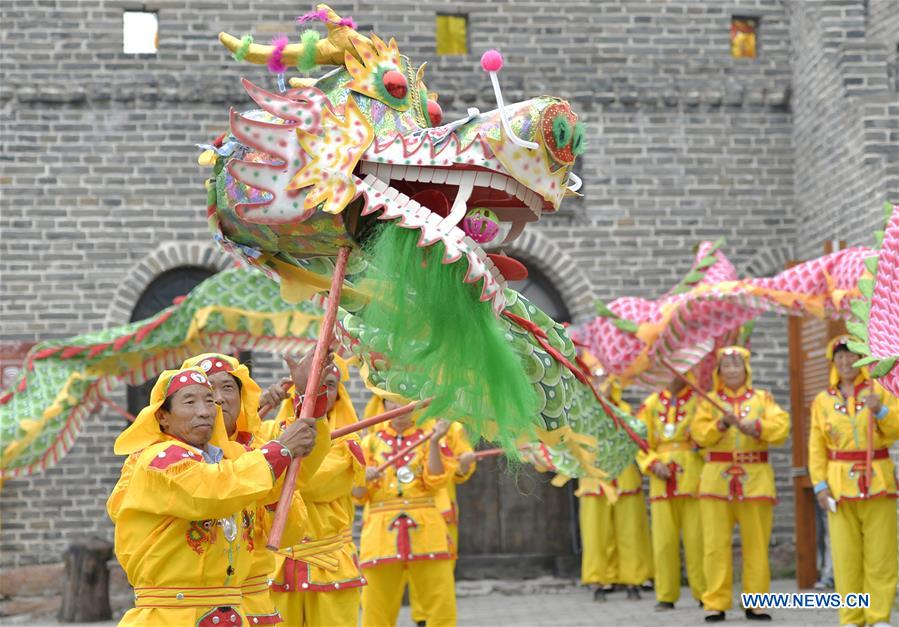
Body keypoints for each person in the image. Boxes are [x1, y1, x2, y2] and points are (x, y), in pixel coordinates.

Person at [107, 367, 316, 626]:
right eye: (190, 402)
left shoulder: (234, 463)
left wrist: (312, 396)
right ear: (162, 416)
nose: (205, 411)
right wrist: (279, 451)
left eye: (209, 401)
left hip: (232, 613)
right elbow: (211, 491)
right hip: (172, 617)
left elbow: (291, 499)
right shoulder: (160, 459)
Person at [181, 352, 325, 624]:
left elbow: (288, 532)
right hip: (189, 610)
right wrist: (277, 454)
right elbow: (216, 489)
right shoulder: (167, 457)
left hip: (255, 604)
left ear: (242, 396)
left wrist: (310, 397)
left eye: (227, 387)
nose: (218, 399)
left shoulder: (259, 448)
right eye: (207, 391)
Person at [264, 356, 366, 627]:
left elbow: (308, 483)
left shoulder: (347, 444)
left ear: (339, 393)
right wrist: (257, 407)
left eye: (328, 384)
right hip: (278, 565)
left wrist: (268, 467)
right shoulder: (270, 432)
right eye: (311, 382)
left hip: (329, 564)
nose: (319, 389)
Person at [692, 346, 790, 622]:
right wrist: (721, 424)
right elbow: (698, 435)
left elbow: (781, 428)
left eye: (737, 365)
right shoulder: (708, 401)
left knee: (757, 543)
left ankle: (756, 602)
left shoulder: (763, 398)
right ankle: (715, 602)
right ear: (719, 371)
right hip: (716, 480)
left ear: (746, 369)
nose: (732, 370)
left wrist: (756, 427)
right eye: (726, 365)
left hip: (755, 478)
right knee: (714, 544)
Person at [808, 335, 899, 627]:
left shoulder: (878, 390)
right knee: (845, 555)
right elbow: (816, 447)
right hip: (839, 484)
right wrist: (820, 486)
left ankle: (878, 615)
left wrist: (880, 411)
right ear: (833, 361)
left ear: (861, 359)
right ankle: (851, 616)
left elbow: (896, 429)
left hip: (878, 479)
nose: (846, 361)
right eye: (840, 356)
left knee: (881, 552)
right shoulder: (822, 401)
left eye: (851, 355)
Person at [364, 396, 477, 626]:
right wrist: (362, 476)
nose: (398, 407)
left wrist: (435, 442)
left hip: (427, 527)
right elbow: (356, 493)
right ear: (382, 405)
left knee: (439, 603)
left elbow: (435, 480)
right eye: (390, 401)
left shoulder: (429, 438)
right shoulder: (369, 443)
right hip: (380, 533)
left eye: (404, 401)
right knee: (376, 608)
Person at [576, 353, 653, 602]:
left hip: (624, 476)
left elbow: (637, 438)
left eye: (604, 378)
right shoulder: (582, 413)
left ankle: (634, 578)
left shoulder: (625, 411)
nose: (601, 383)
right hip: (594, 479)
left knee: (630, 531)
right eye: (596, 378)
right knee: (596, 533)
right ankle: (599, 579)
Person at [636, 374, 706, 610]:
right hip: (661, 480)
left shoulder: (700, 402)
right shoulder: (651, 404)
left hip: (693, 478)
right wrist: (652, 463)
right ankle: (666, 595)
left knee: (697, 540)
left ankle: (705, 593)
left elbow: (709, 437)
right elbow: (640, 440)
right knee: (664, 542)